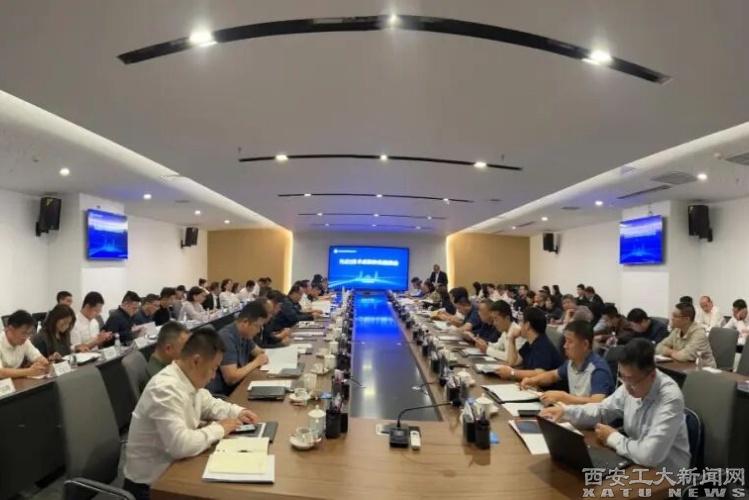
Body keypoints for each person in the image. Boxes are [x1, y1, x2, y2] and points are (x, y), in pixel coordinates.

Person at [123, 327, 259, 499]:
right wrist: (220, 428)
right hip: (152, 486)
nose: (213, 376)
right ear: (196, 361)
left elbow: (209, 404)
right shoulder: (165, 388)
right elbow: (181, 445)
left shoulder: (186, 377)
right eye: (213, 368)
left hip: (176, 466)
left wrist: (237, 411)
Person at [540, 338, 690, 474]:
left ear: (652, 375)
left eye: (631, 381)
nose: (626, 388)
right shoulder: (630, 383)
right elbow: (602, 410)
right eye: (622, 377)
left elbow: (649, 455)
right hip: (636, 462)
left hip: (666, 474)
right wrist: (565, 411)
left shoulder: (670, 398)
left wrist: (612, 437)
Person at [520, 320, 614, 404]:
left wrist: (564, 397)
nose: (565, 346)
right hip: (575, 413)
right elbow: (553, 375)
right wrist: (532, 380)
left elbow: (596, 402)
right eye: (565, 341)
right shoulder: (571, 362)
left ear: (585, 344)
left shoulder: (598, 369)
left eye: (570, 342)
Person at [207, 301, 269, 395]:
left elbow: (260, 353)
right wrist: (256, 362)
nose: (259, 331)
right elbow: (231, 378)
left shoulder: (245, 335)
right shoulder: (226, 337)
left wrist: (260, 357)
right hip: (224, 394)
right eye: (257, 326)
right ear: (245, 322)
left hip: (238, 386)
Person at [496, 307, 563, 380]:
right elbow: (513, 362)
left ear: (527, 325)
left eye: (521, 322)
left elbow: (540, 373)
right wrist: (511, 339)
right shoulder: (529, 343)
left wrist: (512, 373)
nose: (519, 325)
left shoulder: (543, 345)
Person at [656, 302, 716, 367]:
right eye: (672, 315)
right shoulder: (677, 329)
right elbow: (658, 348)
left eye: (675, 316)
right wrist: (673, 352)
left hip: (703, 369)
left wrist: (668, 351)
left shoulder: (699, 333)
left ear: (686, 319)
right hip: (683, 366)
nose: (672, 318)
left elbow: (683, 356)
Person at [0, 310, 50, 379]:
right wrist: (29, 371)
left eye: (29, 333)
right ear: (10, 329)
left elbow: (39, 358)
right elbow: (1, 372)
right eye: (23, 333)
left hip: (15, 382)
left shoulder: (25, 341)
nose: (26, 337)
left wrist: (42, 363)